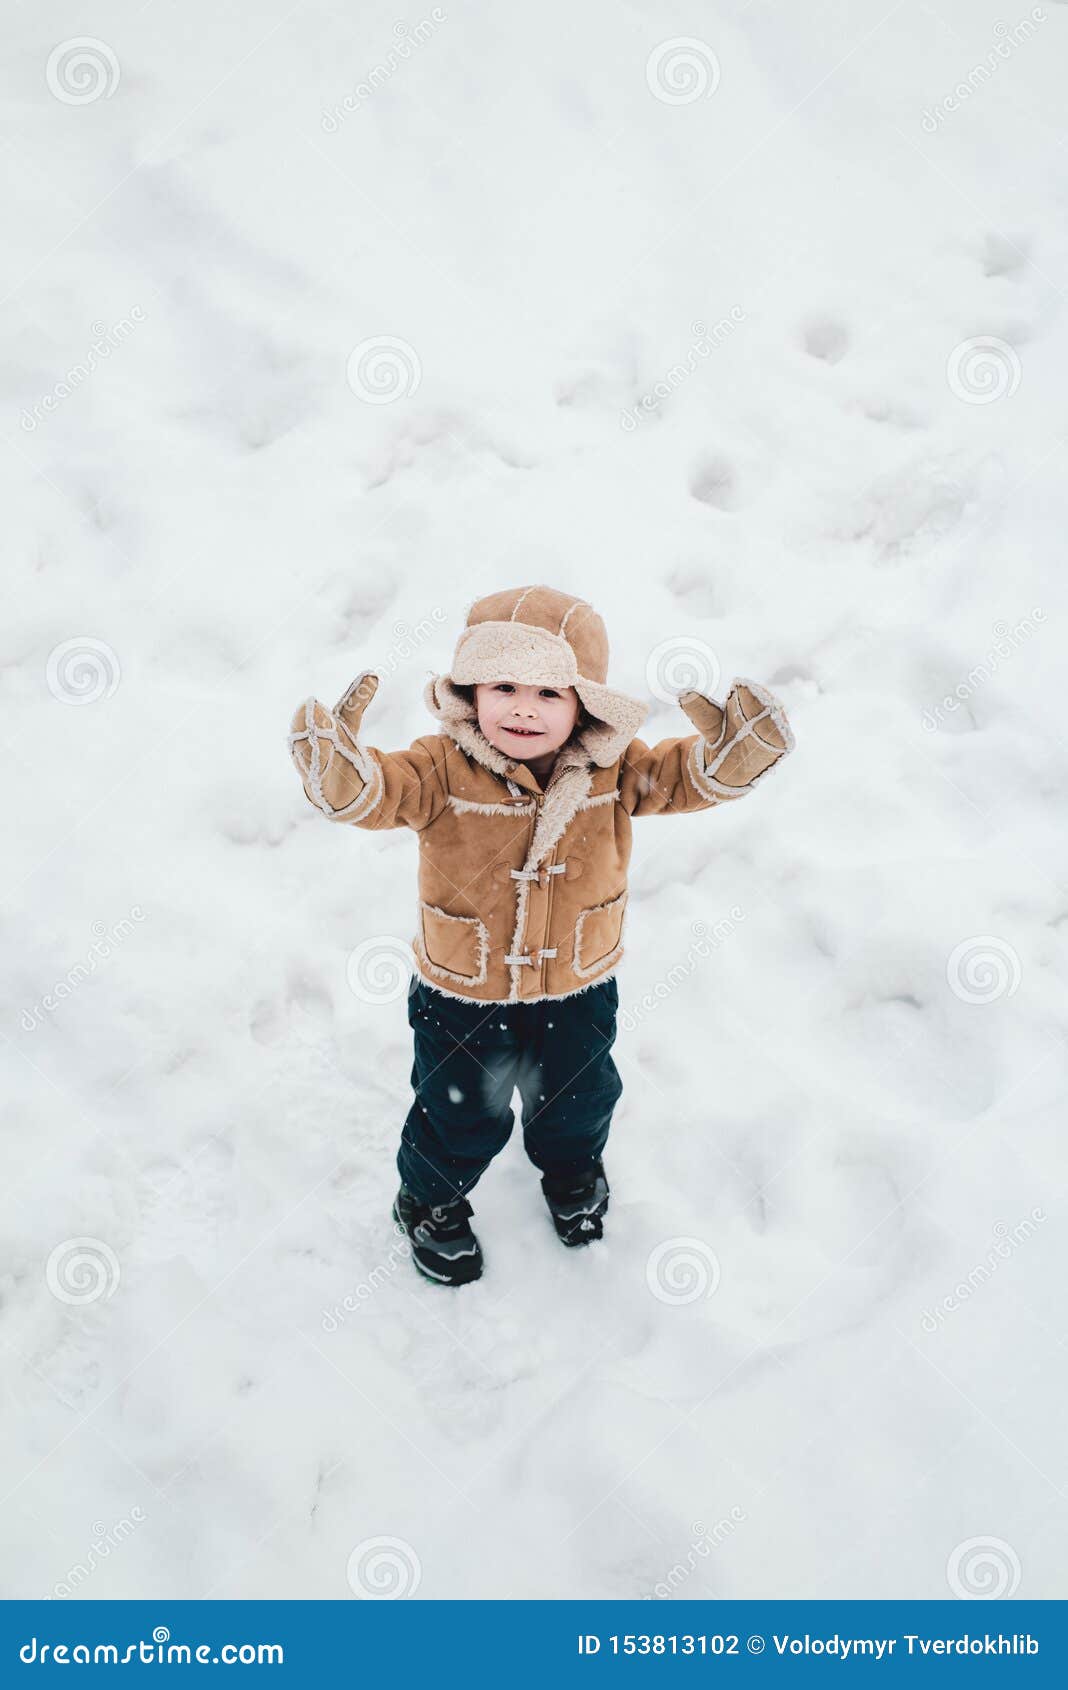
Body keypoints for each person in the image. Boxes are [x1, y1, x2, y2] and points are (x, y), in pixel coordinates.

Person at [288, 585, 794, 1286]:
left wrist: (728, 761)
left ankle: (572, 1171)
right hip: (465, 987)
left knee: (580, 1097)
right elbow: (382, 791)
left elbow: (678, 779)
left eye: (550, 693)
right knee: (459, 1112)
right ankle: (429, 1200)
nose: (524, 707)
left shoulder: (614, 769)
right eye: (504, 686)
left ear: (584, 702)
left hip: (578, 981)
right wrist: (342, 775)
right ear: (472, 691)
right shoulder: (439, 766)